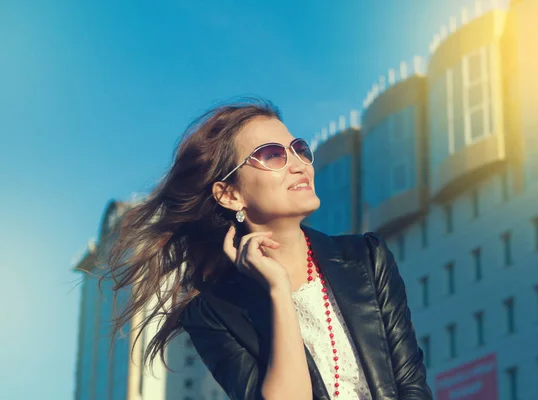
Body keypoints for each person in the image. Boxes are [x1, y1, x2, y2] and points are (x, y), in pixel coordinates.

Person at [107, 99, 432, 400]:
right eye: (273, 154)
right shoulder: (215, 315)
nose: (299, 164)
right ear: (229, 195)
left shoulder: (366, 258)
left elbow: (412, 386)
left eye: (300, 149)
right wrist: (277, 290)